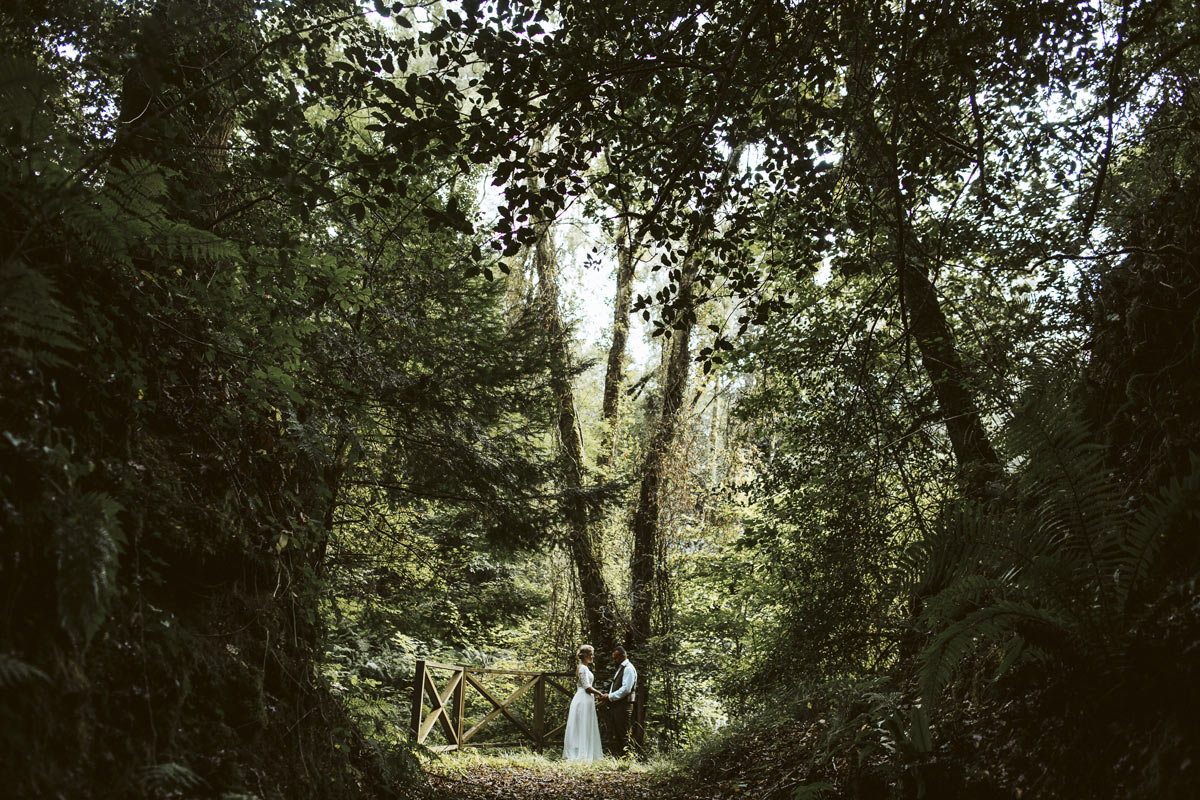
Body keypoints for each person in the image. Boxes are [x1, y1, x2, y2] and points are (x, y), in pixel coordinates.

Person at [562, 644, 604, 761]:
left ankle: (585, 750)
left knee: (585, 724)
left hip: (586, 699)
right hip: (583, 699)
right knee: (582, 724)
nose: (593, 656)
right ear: (585, 655)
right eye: (591, 654)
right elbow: (586, 687)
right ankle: (582, 753)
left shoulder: (583, 667)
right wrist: (599, 693)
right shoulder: (583, 668)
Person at [597, 646, 637, 757]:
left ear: (623, 656)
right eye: (614, 658)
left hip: (624, 705)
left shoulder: (628, 668)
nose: (615, 660)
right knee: (618, 732)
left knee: (624, 732)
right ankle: (621, 757)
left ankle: (629, 757)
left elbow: (626, 689)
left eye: (616, 658)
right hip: (618, 704)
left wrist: (610, 696)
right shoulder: (621, 667)